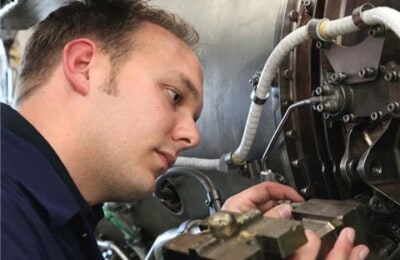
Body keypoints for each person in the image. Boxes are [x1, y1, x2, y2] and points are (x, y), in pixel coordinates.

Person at [1, 0, 369, 259]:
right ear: (84, 66)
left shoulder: (58, 218)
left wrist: (212, 241)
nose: (192, 137)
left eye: (194, 116)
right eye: (174, 96)